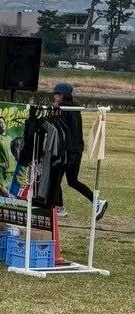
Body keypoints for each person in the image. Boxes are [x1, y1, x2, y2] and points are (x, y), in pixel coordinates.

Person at [52, 82, 108, 220]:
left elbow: (62, 130)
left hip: (68, 150)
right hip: (76, 150)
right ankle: (97, 202)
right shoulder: (73, 108)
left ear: (63, 95)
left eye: (56, 94)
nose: (54, 96)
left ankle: (59, 207)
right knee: (72, 181)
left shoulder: (64, 108)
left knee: (55, 179)